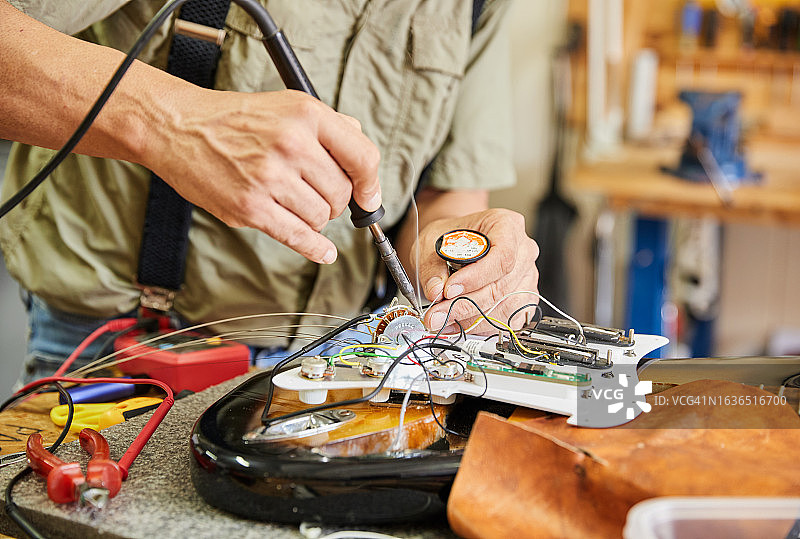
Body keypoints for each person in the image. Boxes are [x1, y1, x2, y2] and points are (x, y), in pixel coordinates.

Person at [0, 0, 540, 381]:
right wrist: (173, 125)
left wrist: (460, 257)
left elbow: (452, 191)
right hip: (131, 350)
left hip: (341, 363)